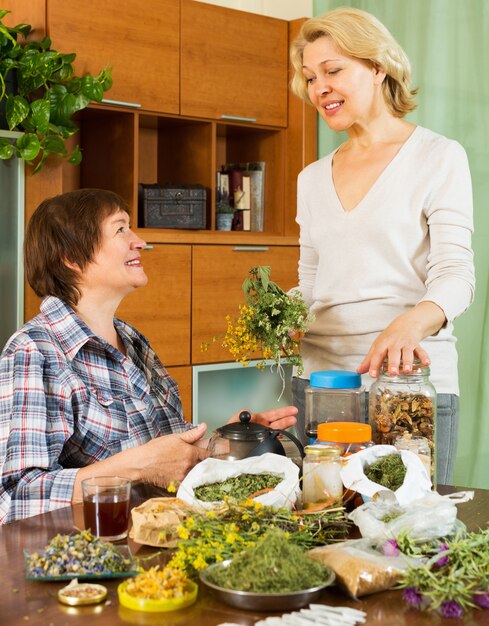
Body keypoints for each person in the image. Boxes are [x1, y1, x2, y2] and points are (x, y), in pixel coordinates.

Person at [0, 189, 298, 523]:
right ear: (70, 256)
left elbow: (164, 456)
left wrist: (223, 442)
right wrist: (137, 467)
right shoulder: (34, 351)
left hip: (163, 536)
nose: (139, 241)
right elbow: (14, 497)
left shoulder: (132, 339)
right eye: (120, 229)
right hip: (97, 556)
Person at [289, 7, 475, 484]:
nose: (319, 87)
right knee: (325, 528)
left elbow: (455, 273)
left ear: (378, 68)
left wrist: (410, 323)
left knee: (413, 536)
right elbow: (311, 283)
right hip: (321, 387)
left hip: (407, 385)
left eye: (333, 70)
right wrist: (283, 316)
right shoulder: (311, 179)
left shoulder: (438, 157)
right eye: (311, 77)